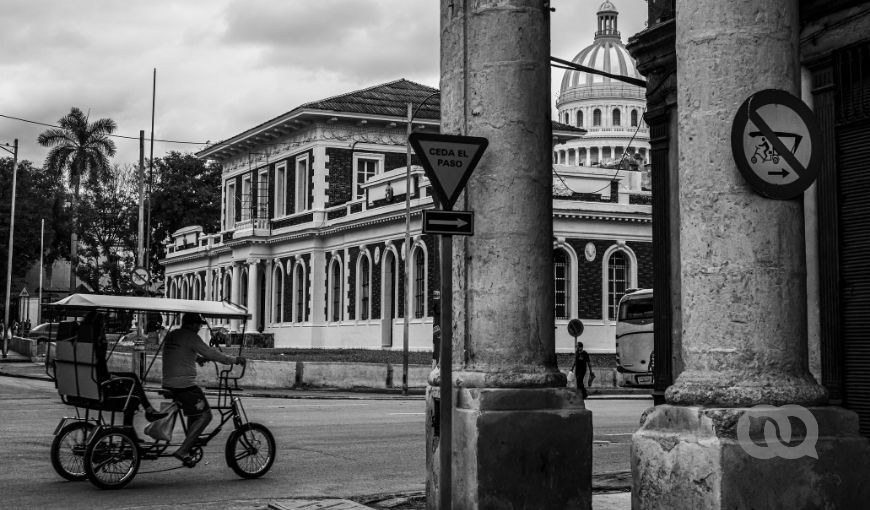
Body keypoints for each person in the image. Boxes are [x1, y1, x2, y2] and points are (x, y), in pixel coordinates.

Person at [162, 312, 245, 467]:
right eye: (199, 325)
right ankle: (184, 450)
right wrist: (233, 360)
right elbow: (211, 352)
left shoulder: (174, 334)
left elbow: (180, 353)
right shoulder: (191, 336)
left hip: (168, 381)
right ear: (193, 325)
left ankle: (190, 442)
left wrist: (197, 358)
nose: (200, 328)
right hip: (183, 384)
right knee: (206, 415)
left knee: (194, 412)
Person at [78, 311, 167, 424]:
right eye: (103, 324)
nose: (104, 327)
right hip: (102, 384)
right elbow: (100, 367)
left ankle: (147, 412)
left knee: (132, 377)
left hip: (95, 380)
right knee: (133, 398)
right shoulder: (97, 344)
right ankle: (133, 428)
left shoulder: (83, 342)